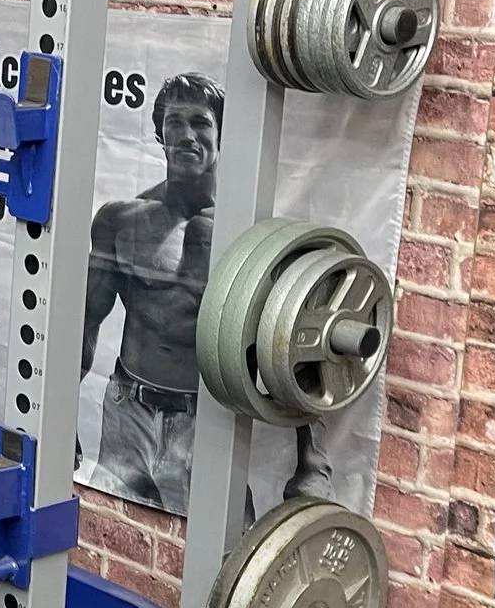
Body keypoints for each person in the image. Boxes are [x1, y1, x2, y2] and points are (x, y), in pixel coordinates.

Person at [79, 72, 334, 514]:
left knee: (229, 540)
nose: (185, 135)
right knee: (105, 526)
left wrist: (311, 461)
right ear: (160, 132)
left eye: (200, 122)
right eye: (174, 122)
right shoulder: (121, 222)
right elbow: (85, 320)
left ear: (221, 134)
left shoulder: (250, 236)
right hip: (127, 414)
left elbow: (295, 341)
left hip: (207, 418)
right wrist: (61, 418)